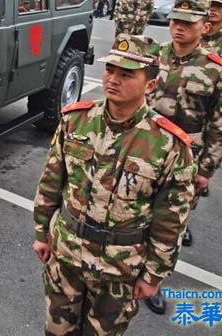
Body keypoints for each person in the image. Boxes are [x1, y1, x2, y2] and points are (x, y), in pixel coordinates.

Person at [33, 34, 195, 335]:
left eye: (126, 74)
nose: (113, 79)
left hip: (120, 270)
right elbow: (52, 180)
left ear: (150, 85)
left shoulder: (168, 144)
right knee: (56, 331)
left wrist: (154, 274)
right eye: (110, 70)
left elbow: (170, 219)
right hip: (67, 253)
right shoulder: (75, 121)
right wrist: (42, 232)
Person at [151, 0, 222, 258]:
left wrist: (207, 170)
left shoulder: (216, 69)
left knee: (171, 224)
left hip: (187, 156)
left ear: (205, 26)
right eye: (176, 21)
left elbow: (219, 125)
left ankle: (156, 280)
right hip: (146, 148)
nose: (179, 27)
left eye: (188, 22)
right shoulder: (153, 56)